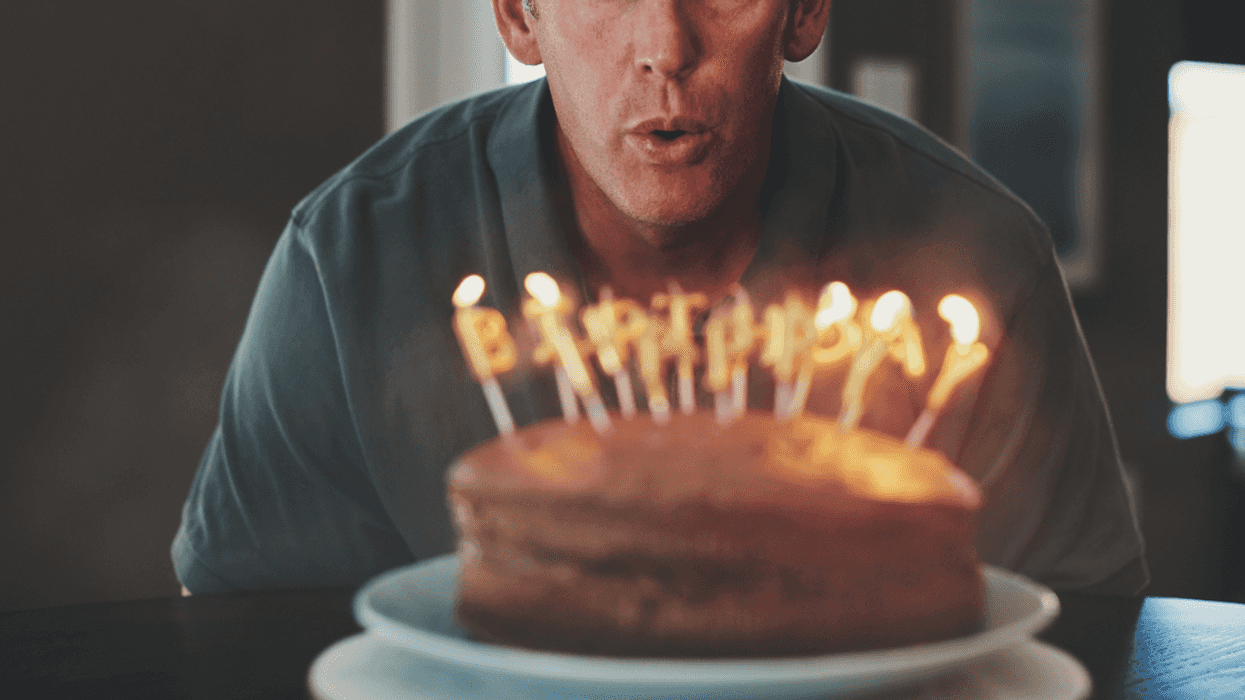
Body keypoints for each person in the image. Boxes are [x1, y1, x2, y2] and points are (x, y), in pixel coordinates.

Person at [173, 0, 1147, 596]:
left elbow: (1081, 636)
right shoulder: (351, 261)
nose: (664, 47)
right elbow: (247, 642)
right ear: (518, 16)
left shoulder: (976, 261)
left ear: (805, 12)